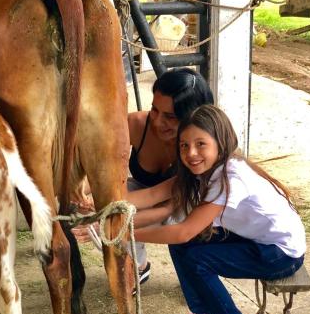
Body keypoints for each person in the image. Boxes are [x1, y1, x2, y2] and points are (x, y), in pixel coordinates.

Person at [132, 104, 306, 314]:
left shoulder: (232, 177)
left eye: (201, 144)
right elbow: (151, 195)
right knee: (185, 247)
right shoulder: (200, 171)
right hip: (256, 239)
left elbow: (182, 231)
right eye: (184, 145)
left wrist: (128, 235)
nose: (191, 153)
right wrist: (101, 205)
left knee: (195, 256)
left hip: (280, 253)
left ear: (220, 143)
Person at [72, 67, 214, 288]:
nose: (157, 122)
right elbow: (101, 170)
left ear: (193, 118)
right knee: (115, 204)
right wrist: (80, 194)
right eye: (154, 110)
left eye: (170, 117)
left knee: (180, 226)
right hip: (148, 192)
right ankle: (138, 266)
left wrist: (104, 216)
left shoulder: (198, 149)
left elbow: (168, 206)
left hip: (187, 200)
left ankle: (199, 273)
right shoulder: (137, 124)